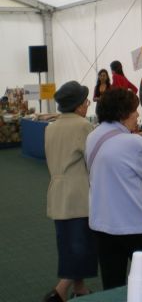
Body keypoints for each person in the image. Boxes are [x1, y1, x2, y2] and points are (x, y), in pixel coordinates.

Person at [86, 88, 142, 290]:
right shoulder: (133, 143)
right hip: (133, 224)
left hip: (102, 223)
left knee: (112, 285)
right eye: (134, 110)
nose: (138, 114)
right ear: (122, 114)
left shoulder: (92, 136)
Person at [43, 81, 97, 302]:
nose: (87, 104)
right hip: (79, 193)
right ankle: (59, 292)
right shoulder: (83, 126)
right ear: (77, 105)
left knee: (67, 242)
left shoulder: (51, 127)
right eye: (85, 101)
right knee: (82, 244)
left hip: (57, 192)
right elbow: (92, 159)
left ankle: (80, 288)